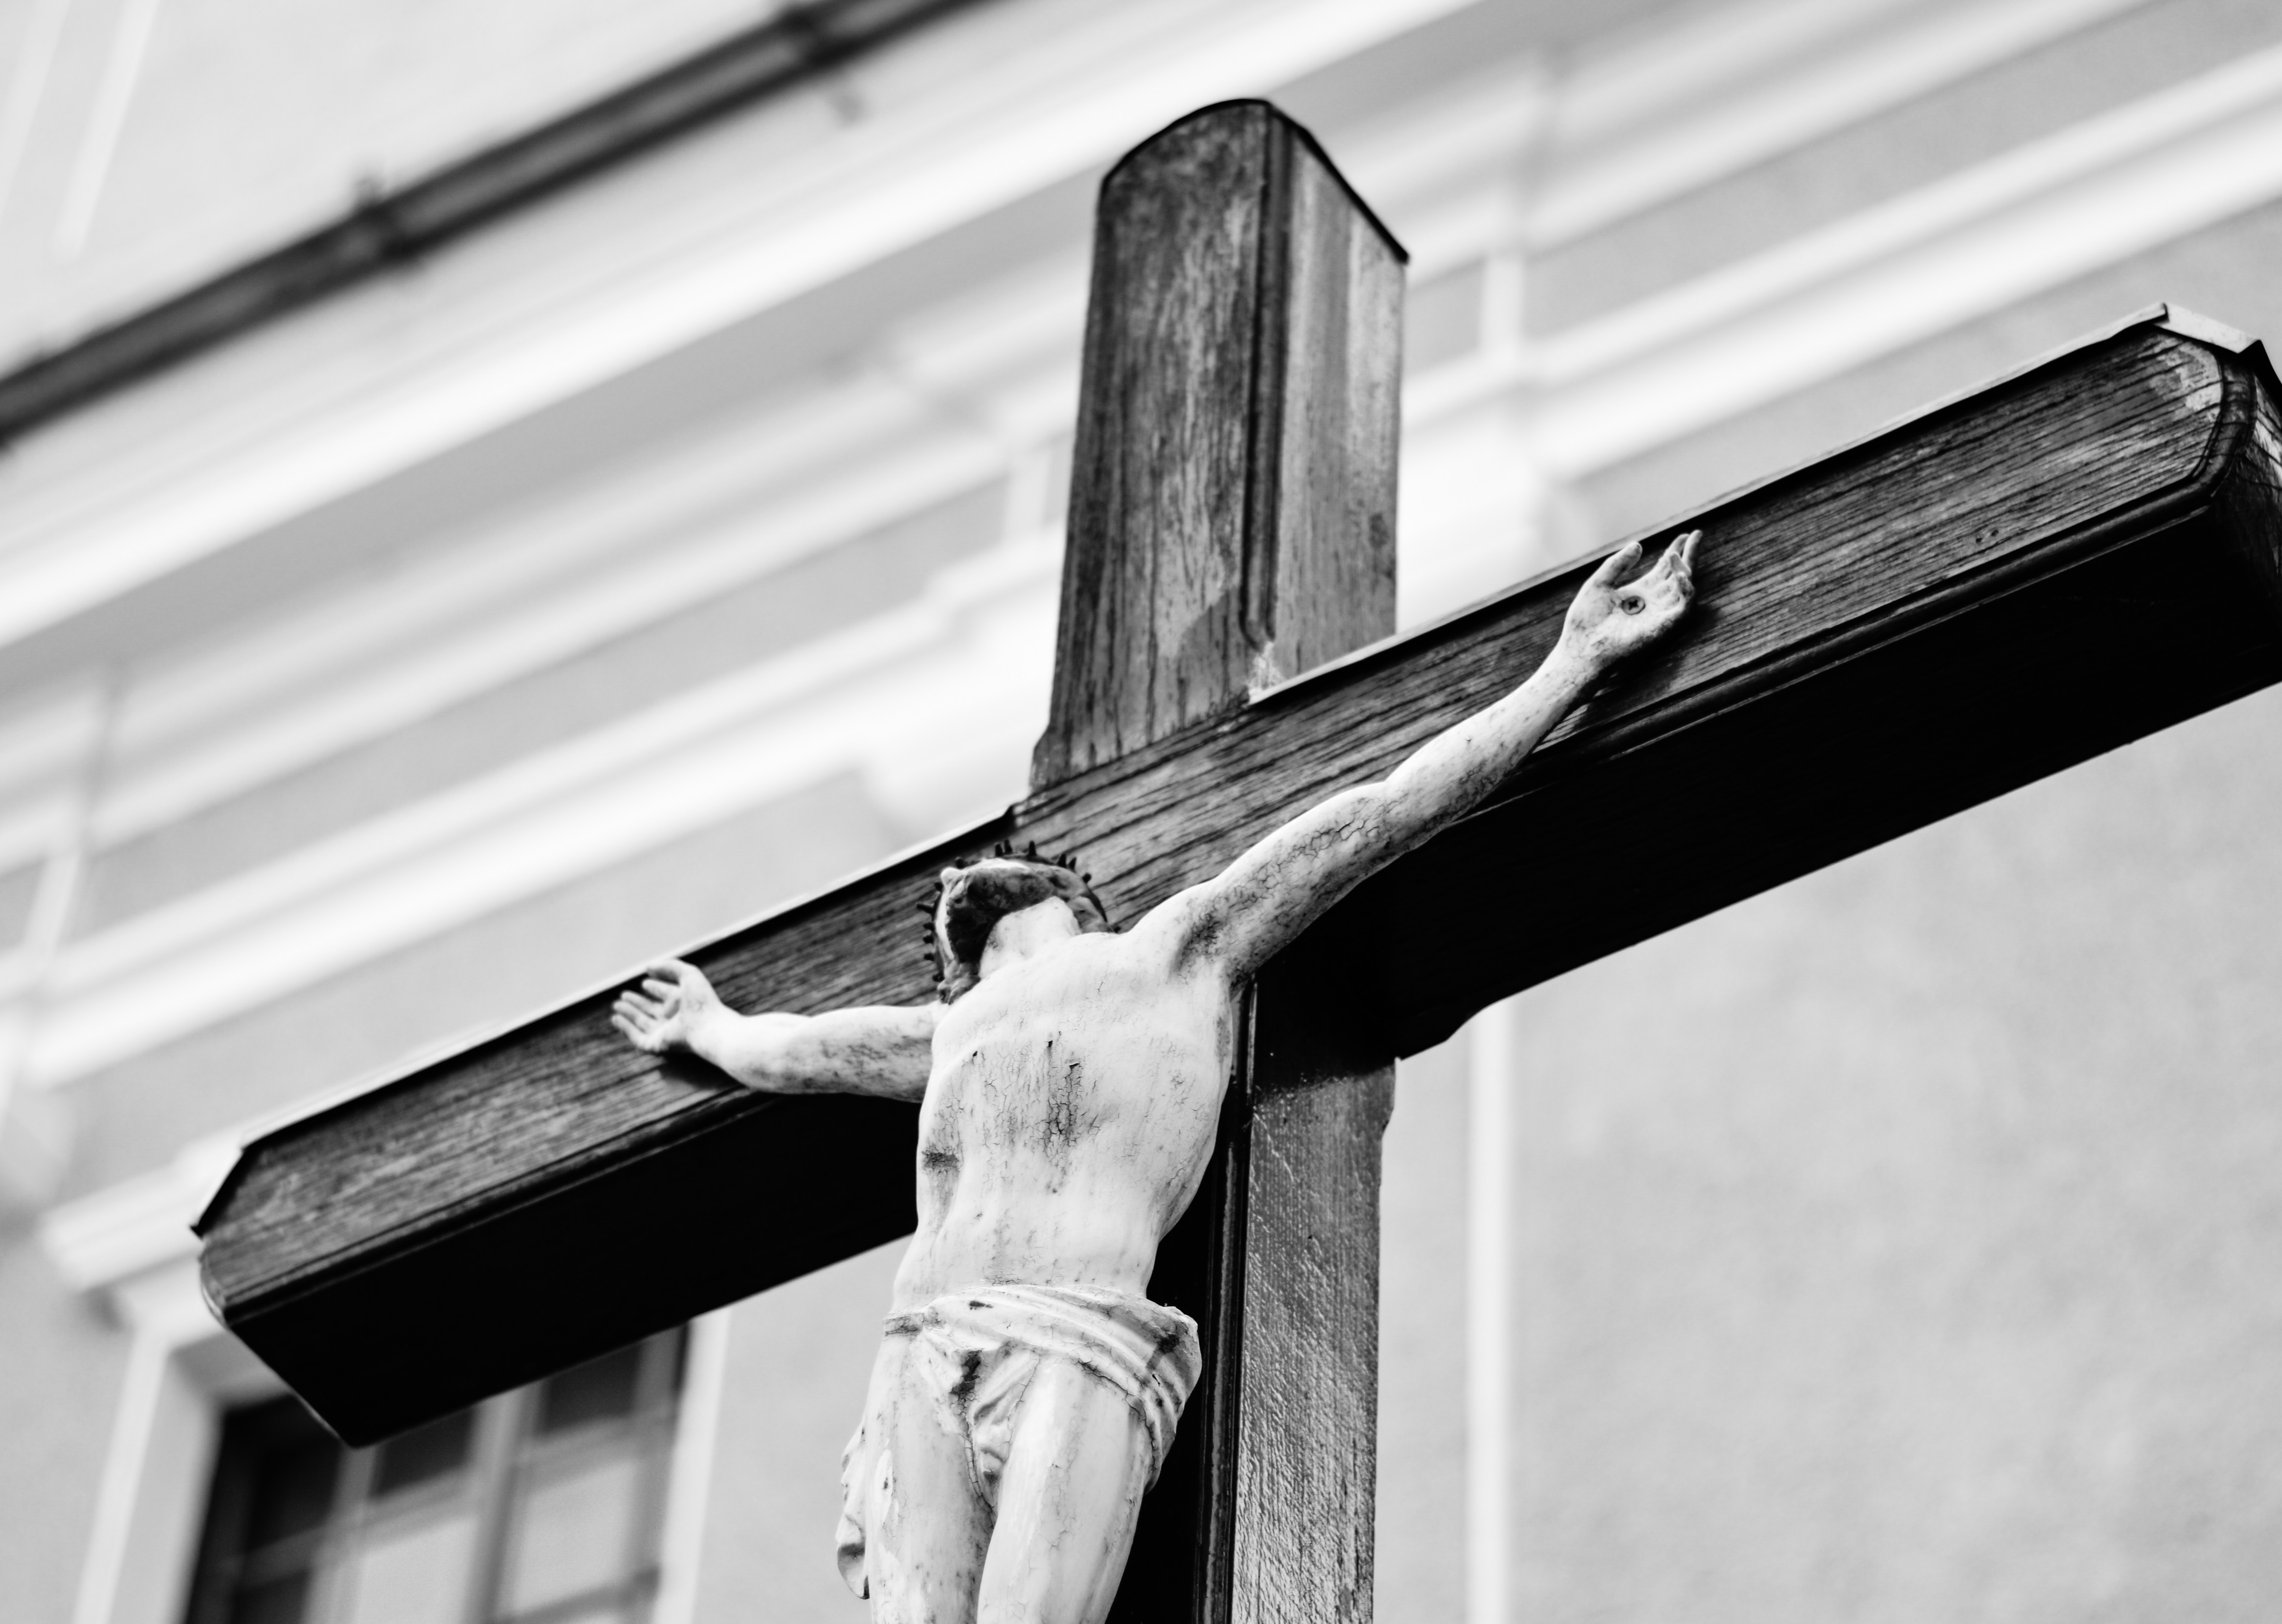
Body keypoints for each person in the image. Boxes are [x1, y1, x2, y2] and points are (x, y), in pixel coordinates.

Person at [612, 530, 1699, 1624]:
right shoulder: (946, 1029)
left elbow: (1378, 815)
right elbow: (791, 1051)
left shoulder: (1171, 952)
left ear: (1087, 901)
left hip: (1075, 1324)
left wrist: (1570, 669)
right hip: (920, 1346)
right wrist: (708, 1026)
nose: (968, 875)